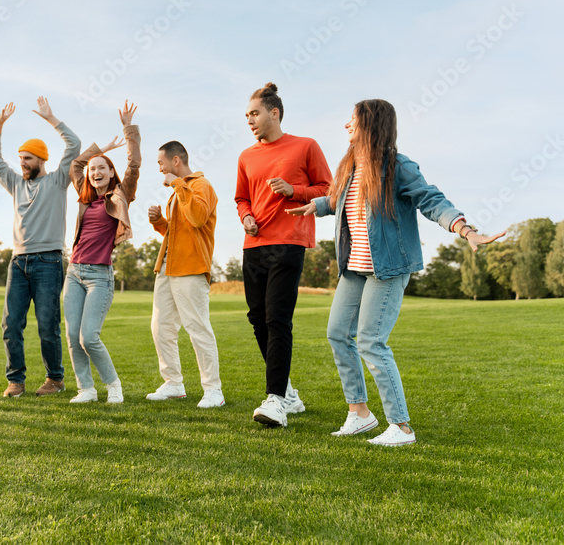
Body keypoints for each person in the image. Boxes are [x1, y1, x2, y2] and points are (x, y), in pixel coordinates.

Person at [287, 99, 504, 446]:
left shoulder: (398, 167)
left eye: (352, 120)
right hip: (353, 268)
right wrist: (315, 205)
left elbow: (431, 200)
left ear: (370, 125)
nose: (346, 126)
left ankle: (401, 427)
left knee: (371, 341)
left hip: (387, 269)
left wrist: (465, 230)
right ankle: (359, 413)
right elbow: (337, 198)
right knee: (337, 334)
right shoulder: (350, 167)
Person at [235, 82, 332, 428]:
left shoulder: (306, 146)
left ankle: (275, 400)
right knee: (257, 317)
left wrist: (294, 191)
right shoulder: (246, 156)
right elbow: (241, 198)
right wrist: (245, 217)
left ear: (274, 113)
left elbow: (328, 190)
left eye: (255, 113)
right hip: (254, 246)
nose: (249, 120)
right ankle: (288, 392)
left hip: (289, 242)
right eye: (246, 115)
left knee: (278, 318)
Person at [0, 96, 80, 397]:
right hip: (18, 262)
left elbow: (74, 145)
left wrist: (51, 118)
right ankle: (16, 380)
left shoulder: (56, 182)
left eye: (27, 158)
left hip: (48, 262)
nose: (22, 163)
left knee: (47, 325)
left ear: (41, 159)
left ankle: (55, 379)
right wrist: (0, 125)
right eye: (21, 158)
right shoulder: (16, 184)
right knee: (11, 324)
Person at [64, 101, 140, 405]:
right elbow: (74, 166)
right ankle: (86, 389)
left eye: (102, 167)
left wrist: (128, 129)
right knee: (72, 337)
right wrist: (102, 147)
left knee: (88, 337)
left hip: (99, 276)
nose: (95, 172)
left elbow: (133, 166)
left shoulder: (120, 196)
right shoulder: (84, 199)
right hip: (74, 273)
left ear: (111, 173)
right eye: (93, 168)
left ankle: (113, 385)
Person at [146, 141, 224, 408]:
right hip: (168, 267)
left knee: (197, 328)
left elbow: (198, 217)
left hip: (191, 268)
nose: (160, 169)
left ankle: (213, 390)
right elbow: (177, 233)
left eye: (161, 163)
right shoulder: (178, 192)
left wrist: (177, 185)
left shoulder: (201, 186)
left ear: (175, 161)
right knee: (160, 326)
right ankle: (173, 383)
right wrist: (159, 222)